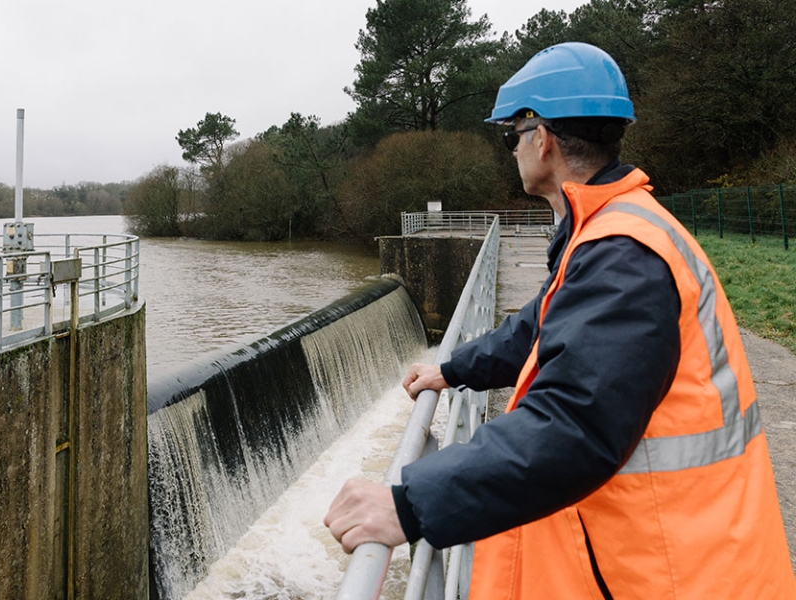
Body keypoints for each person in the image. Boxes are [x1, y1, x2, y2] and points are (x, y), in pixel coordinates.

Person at [324, 42, 796, 599]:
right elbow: (542, 323)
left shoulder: (624, 253)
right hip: (648, 552)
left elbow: (576, 423)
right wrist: (453, 371)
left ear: (541, 139)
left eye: (512, 136)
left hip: (670, 571)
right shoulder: (606, 229)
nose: (513, 150)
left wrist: (410, 503)